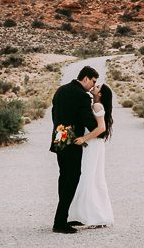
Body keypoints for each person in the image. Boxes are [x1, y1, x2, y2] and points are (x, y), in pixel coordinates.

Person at [50, 66, 99, 234]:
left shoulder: (60, 90)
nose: (93, 86)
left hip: (59, 137)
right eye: (93, 81)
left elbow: (54, 114)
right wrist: (100, 126)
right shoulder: (82, 96)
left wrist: (60, 131)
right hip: (72, 140)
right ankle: (59, 222)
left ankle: (63, 217)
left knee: (64, 177)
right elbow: (89, 122)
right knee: (72, 177)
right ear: (85, 78)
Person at [68, 83, 114, 228]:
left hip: (93, 145)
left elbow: (101, 128)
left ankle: (93, 217)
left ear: (100, 94)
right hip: (96, 145)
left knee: (89, 177)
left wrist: (84, 139)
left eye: (98, 87)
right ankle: (96, 215)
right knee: (95, 178)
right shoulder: (97, 104)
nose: (95, 86)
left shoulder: (97, 106)